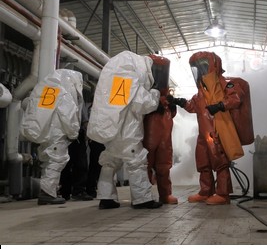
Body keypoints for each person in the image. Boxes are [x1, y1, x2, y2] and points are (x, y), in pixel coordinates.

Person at [87, 50, 162, 210]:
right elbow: (143, 104)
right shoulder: (129, 80)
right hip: (127, 130)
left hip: (110, 129)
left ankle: (106, 197)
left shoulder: (114, 80)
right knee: (137, 161)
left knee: (110, 162)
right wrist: (155, 94)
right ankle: (142, 199)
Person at [168, 51, 246, 205]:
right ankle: (206, 191)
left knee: (220, 162)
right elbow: (193, 107)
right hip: (203, 135)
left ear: (213, 66)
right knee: (203, 163)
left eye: (203, 66)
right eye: (197, 68)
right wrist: (179, 101)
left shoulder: (224, 84)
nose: (200, 71)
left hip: (218, 130)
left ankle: (223, 194)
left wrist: (220, 105)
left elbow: (236, 98)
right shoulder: (200, 94)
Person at [20, 69, 83, 205]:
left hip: (44, 132)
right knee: (56, 161)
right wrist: (73, 133)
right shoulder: (64, 94)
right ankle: (47, 193)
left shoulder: (45, 91)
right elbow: (68, 116)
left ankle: (49, 191)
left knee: (47, 161)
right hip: (57, 133)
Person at [143, 54, 178, 204]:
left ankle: (165, 194)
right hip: (146, 136)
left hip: (164, 137)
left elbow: (172, 115)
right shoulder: (142, 93)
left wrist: (172, 105)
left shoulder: (166, 96)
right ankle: (142, 196)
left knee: (164, 165)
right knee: (144, 165)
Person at [59, 104, 93, 201]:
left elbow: (82, 112)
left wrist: (86, 129)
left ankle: (79, 190)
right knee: (65, 163)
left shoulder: (78, 95)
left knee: (81, 163)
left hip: (78, 132)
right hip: (64, 132)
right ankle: (65, 191)